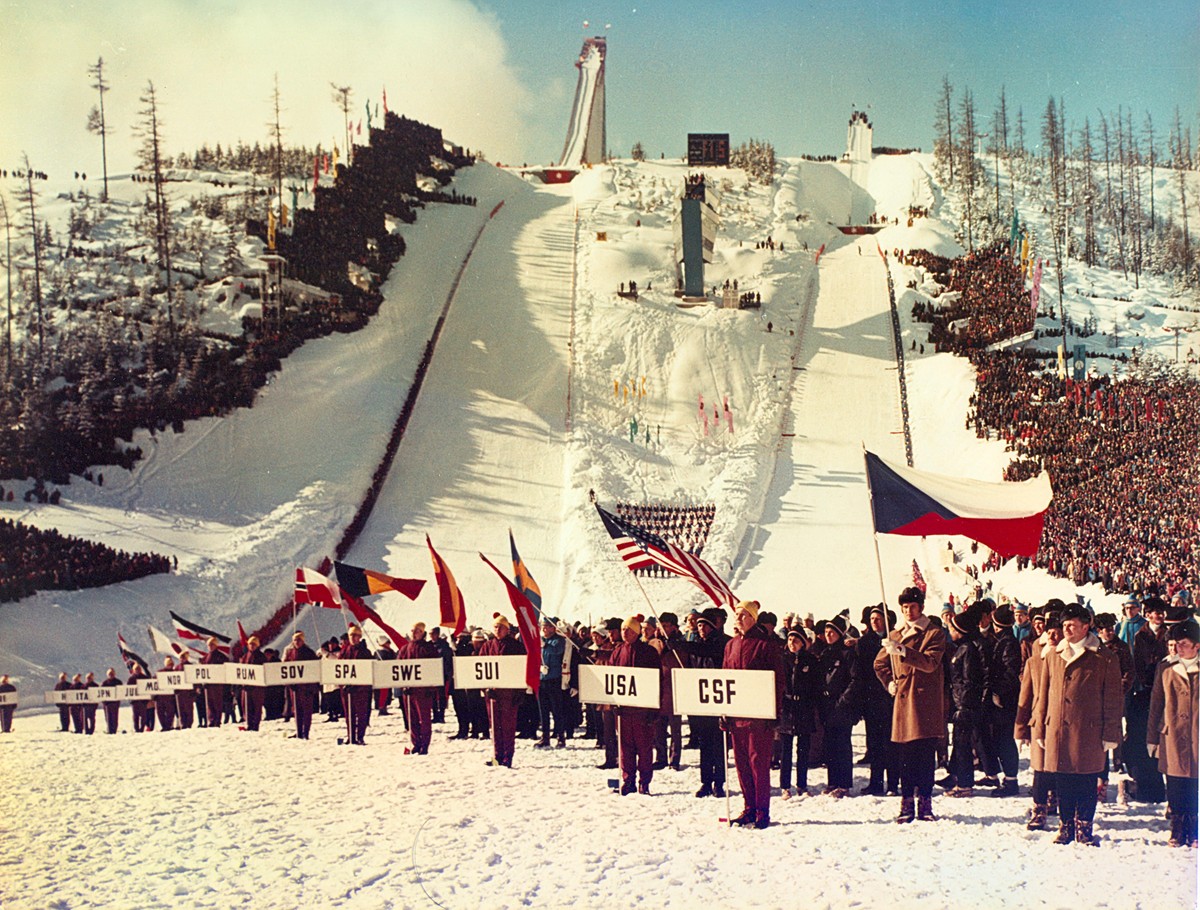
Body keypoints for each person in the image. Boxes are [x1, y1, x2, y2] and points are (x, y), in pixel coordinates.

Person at [1035, 603, 1123, 846]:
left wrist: (1110, 733)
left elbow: (1113, 698)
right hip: (1059, 729)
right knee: (1063, 781)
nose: (1066, 629)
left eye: (1072, 624)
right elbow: (1043, 693)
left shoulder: (1104, 658)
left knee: (1085, 782)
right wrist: (1041, 726)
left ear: (1086, 626)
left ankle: (1084, 827)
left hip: (1089, 731)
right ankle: (1066, 827)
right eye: (1064, 625)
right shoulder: (1053, 654)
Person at [874, 586, 947, 824]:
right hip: (904, 704)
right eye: (904, 607)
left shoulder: (933, 633)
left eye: (912, 607)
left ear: (921, 607)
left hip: (925, 704)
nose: (908, 611)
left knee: (925, 757)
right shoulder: (894, 635)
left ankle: (925, 803)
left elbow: (930, 663)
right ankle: (906, 803)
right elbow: (879, 664)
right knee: (904, 758)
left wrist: (905, 651)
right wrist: (889, 683)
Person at [723, 600, 785, 828]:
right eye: (736, 615)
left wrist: (774, 711)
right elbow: (725, 678)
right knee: (741, 763)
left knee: (758, 763)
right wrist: (724, 710)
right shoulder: (730, 645)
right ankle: (748, 807)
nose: (738, 619)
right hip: (737, 713)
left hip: (758, 715)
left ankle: (762, 810)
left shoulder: (765, 645)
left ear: (753, 618)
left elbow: (778, 680)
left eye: (743, 615)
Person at [1147, 618, 1200, 847]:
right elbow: (1156, 704)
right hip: (1172, 735)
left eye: (1184, 643)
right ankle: (1177, 827)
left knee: (1195, 783)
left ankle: (1194, 827)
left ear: (1197, 646)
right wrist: (1152, 738)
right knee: (1176, 783)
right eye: (1175, 643)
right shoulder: (1166, 668)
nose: (1178, 648)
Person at [1015, 608, 1063, 829]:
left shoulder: (1067, 661)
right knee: (1041, 769)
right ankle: (1039, 809)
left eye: (1057, 633)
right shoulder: (1034, 661)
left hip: (1060, 721)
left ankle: (1058, 802)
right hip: (1039, 722)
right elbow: (1026, 694)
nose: (1053, 637)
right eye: (1049, 633)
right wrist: (1021, 729)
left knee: (1060, 766)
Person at [609, 614, 662, 794]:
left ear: (637, 632)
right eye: (623, 629)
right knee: (625, 748)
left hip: (643, 709)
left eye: (629, 630)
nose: (625, 633)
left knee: (644, 748)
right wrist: (613, 702)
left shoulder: (649, 652)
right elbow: (612, 678)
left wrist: (655, 707)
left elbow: (657, 681)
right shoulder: (617, 652)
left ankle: (644, 782)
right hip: (624, 710)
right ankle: (628, 780)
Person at [680, 608, 729, 798]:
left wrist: (683, 646)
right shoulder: (696, 644)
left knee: (719, 743)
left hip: (719, 700)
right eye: (699, 625)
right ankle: (706, 782)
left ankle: (719, 782)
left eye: (704, 625)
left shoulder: (722, 642)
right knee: (705, 744)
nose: (701, 629)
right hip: (701, 701)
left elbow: (709, 651)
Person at [1129, 596, 1170, 802]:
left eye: (1162, 612)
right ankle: (1146, 784)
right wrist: (1146, 682)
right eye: (1156, 612)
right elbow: (1138, 662)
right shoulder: (1141, 635)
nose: (1160, 616)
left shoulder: (1169, 633)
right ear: (1149, 614)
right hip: (1146, 690)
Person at [943, 605, 987, 797]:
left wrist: (963, 704)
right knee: (959, 743)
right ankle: (957, 777)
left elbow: (969, 680)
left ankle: (964, 784)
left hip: (966, 705)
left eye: (953, 629)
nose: (950, 632)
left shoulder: (967, 649)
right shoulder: (961, 648)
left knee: (962, 745)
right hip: (961, 703)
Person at [857, 605, 898, 795]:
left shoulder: (894, 639)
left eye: (878, 618)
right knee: (874, 744)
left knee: (892, 743)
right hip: (872, 700)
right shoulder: (864, 642)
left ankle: (893, 783)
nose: (874, 621)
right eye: (872, 618)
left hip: (891, 699)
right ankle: (875, 782)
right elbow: (861, 672)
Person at [984, 603, 1024, 796]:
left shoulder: (1007, 642)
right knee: (1000, 739)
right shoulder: (1004, 640)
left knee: (1005, 740)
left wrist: (998, 692)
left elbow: (1010, 671)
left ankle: (1011, 780)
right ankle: (1007, 778)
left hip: (1004, 700)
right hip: (1002, 697)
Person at [816, 615, 857, 797]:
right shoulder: (825, 653)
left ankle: (844, 783)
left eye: (832, 632)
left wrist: (844, 700)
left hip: (842, 706)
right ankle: (832, 781)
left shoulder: (848, 654)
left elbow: (855, 680)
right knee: (830, 744)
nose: (828, 634)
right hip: (827, 705)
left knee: (843, 744)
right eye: (826, 632)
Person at [480, 613, 525, 767]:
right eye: (495, 627)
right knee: (495, 726)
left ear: (507, 629)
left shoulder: (515, 646)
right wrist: (485, 688)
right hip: (492, 693)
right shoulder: (487, 646)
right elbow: (481, 668)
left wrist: (520, 691)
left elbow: (521, 669)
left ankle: (508, 757)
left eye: (500, 627)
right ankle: (497, 756)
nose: (497, 630)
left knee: (508, 726)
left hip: (509, 692)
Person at [779, 628, 818, 799]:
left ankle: (801, 784)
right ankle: (784, 786)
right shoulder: (782, 659)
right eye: (790, 640)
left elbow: (816, 685)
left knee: (803, 749)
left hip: (804, 708)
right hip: (787, 708)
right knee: (785, 750)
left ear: (803, 642)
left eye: (796, 640)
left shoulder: (810, 660)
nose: (792, 644)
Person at [399, 623, 438, 754]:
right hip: (409, 691)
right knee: (412, 719)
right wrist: (403, 685)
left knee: (424, 719)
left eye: (417, 631)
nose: (414, 633)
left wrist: (430, 688)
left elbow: (434, 668)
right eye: (412, 630)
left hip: (423, 691)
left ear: (422, 633)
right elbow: (399, 669)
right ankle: (416, 744)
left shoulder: (428, 648)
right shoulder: (404, 649)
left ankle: (425, 745)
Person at [339, 626, 374, 746]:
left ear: (360, 637)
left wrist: (358, 685)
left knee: (361, 714)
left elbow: (368, 671)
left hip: (361, 690)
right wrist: (343, 684)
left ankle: (360, 737)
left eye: (355, 636)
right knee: (349, 714)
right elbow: (339, 670)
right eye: (351, 636)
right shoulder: (344, 651)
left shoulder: (365, 652)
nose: (353, 638)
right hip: (347, 689)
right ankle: (350, 736)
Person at [537, 616, 568, 749]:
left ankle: (561, 737)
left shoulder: (558, 640)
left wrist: (546, 645)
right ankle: (545, 738)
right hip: (542, 679)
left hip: (554, 679)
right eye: (543, 626)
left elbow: (557, 651)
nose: (544, 628)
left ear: (553, 628)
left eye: (547, 626)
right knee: (543, 711)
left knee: (557, 711)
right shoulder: (540, 641)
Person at [283, 630, 320, 740]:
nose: (297, 642)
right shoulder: (290, 652)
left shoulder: (309, 652)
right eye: (295, 640)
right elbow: (285, 668)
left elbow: (315, 669)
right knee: (296, 711)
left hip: (307, 688)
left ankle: (306, 732)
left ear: (303, 641)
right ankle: (299, 731)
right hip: (295, 687)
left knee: (307, 711)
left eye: (299, 640)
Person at [201, 637, 229, 728]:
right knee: (209, 703)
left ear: (216, 645)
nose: (210, 646)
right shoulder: (205, 657)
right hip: (208, 684)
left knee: (217, 703)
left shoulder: (221, 656)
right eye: (209, 645)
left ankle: (217, 720)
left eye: (212, 644)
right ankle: (211, 720)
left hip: (217, 684)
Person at [240, 636, 267, 731]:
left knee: (256, 706)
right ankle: (249, 724)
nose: (252, 646)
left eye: (254, 644)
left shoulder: (261, 656)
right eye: (250, 644)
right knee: (246, 706)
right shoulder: (245, 656)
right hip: (246, 687)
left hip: (257, 687)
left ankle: (255, 725)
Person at [175, 651, 196, 730]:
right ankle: (183, 723)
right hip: (180, 692)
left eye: (183, 657)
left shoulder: (190, 666)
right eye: (181, 657)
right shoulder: (177, 668)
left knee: (189, 709)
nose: (182, 659)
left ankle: (189, 723)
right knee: (181, 709)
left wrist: (194, 690)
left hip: (188, 692)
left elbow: (194, 679)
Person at [156, 657, 178, 731]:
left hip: (170, 698)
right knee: (160, 713)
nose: (170, 665)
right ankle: (164, 726)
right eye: (169, 664)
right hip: (160, 697)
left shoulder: (175, 673)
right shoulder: (160, 672)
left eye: (171, 664)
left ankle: (168, 726)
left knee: (170, 713)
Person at [100, 667, 121, 734]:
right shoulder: (104, 683)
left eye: (112, 673)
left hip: (115, 703)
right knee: (108, 718)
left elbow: (121, 692)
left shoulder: (118, 682)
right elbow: (101, 693)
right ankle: (109, 730)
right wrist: (104, 702)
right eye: (109, 674)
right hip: (107, 704)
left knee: (115, 717)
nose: (111, 675)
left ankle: (114, 730)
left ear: (114, 674)